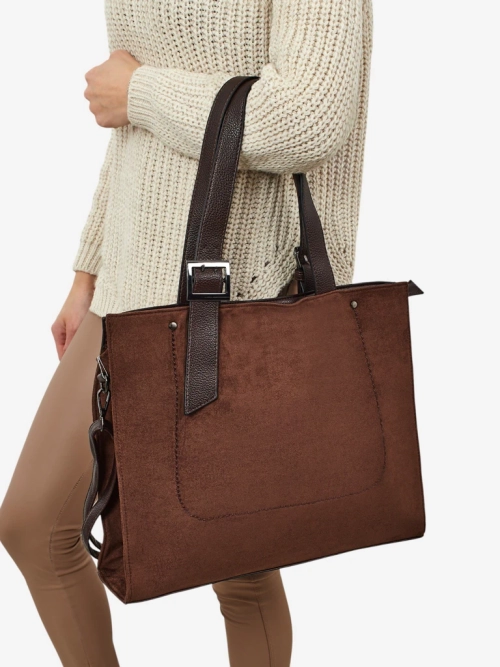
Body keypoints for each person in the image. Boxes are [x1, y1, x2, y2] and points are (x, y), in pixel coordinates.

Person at [0, 1, 373, 665]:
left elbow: (309, 118)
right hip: (129, 283)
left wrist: (140, 92)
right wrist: (89, 273)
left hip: (247, 289)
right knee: (33, 523)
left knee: (239, 564)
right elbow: (135, 129)